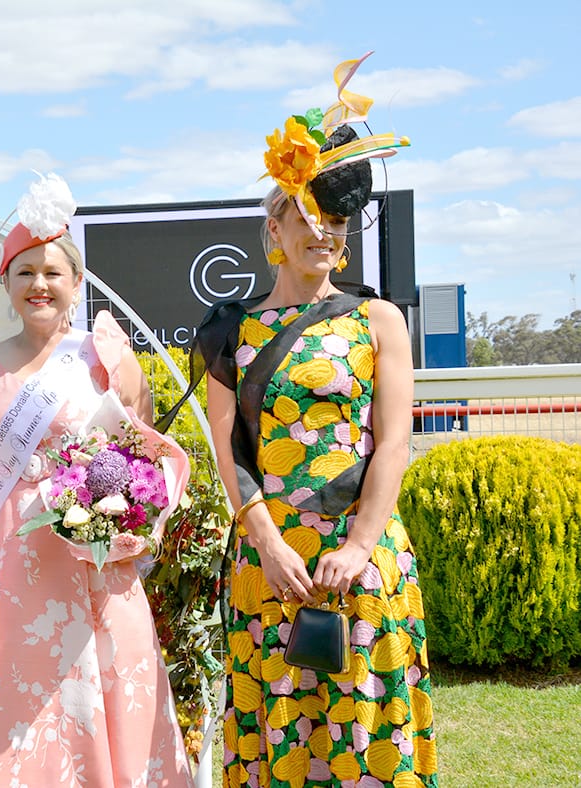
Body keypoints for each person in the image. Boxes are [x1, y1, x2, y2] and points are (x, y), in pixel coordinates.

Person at [194, 54, 439, 786]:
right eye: (306, 217)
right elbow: (227, 453)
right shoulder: (227, 332)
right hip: (271, 565)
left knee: (364, 735)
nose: (324, 234)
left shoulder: (377, 320)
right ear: (272, 225)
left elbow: (393, 440)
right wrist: (265, 543)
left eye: (336, 221)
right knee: (277, 730)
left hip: (358, 559)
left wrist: (361, 545)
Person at [0, 174, 192, 786]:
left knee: (103, 692)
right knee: (16, 712)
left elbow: (141, 460)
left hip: (94, 560)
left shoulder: (104, 356)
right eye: (25, 272)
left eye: (53, 272)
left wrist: (126, 526)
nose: (39, 285)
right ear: (6, 282)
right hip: (11, 563)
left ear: (75, 282)